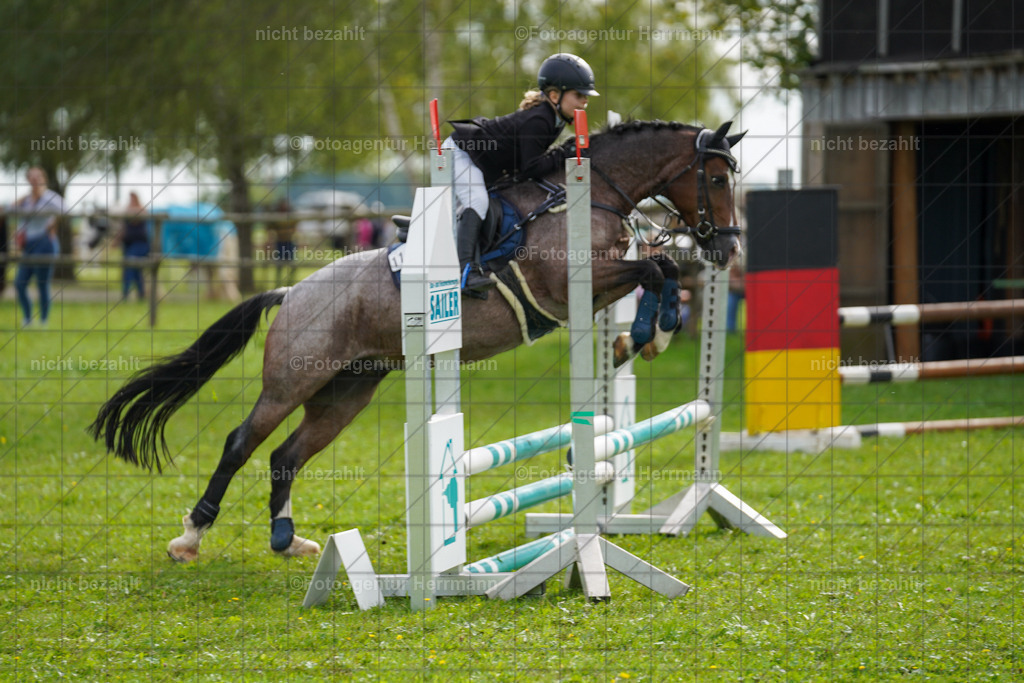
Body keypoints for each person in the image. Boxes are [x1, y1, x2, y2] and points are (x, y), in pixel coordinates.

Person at [447, 53, 599, 298]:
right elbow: (531, 168)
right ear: (554, 95)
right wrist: (564, 152)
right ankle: (466, 273)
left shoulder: (553, 119)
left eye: (586, 97)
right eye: (578, 95)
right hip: (462, 153)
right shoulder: (540, 120)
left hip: (483, 163)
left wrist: (564, 152)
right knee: (477, 202)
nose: (584, 103)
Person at [12, 167, 64, 328]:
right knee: (19, 283)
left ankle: (43, 320)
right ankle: (28, 318)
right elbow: (10, 211)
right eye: (32, 177)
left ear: (44, 178)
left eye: (38, 177)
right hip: (29, 244)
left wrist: (53, 223)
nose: (35, 180)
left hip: (44, 243)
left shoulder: (50, 197)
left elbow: (67, 209)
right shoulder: (26, 199)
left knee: (42, 283)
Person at [114, 191, 150, 301]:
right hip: (128, 244)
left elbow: (137, 216)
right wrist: (116, 241)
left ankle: (137, 294)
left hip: (139, 244)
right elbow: (123, 229)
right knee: (130, 269)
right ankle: (133, 294)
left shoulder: (141, 210)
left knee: (134, 268)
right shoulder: (127, 211)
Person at [266, 198, 297, 287]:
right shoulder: (276, 216)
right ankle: (278, 283)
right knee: (279, 264)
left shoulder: (291, 215)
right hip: (279, 243)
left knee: (291, 263)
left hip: (289, 242)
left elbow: (295, 227)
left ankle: (290, 282)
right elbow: (270, 228)